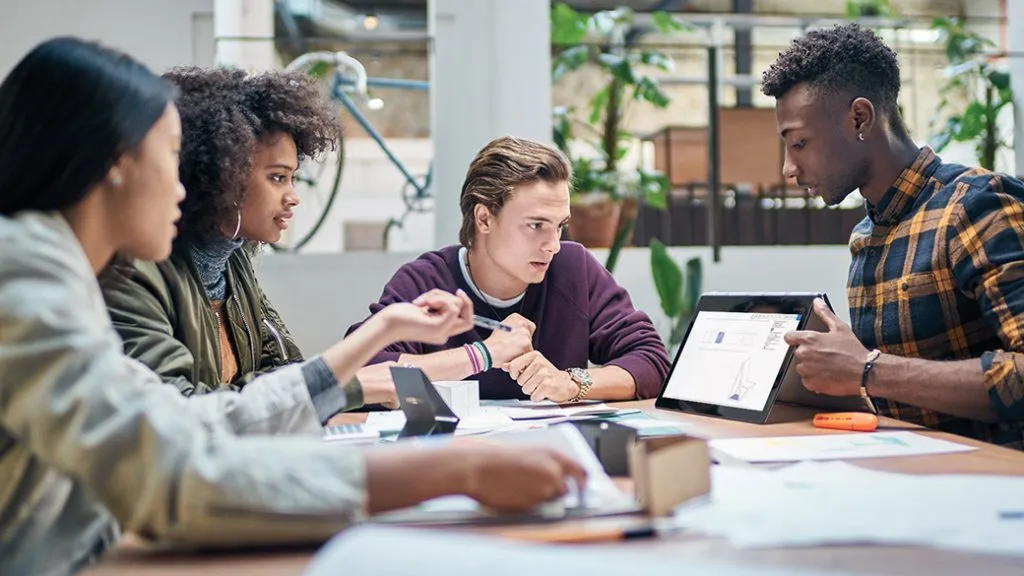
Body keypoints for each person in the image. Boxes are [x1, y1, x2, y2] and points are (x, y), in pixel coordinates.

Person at [0, 37, 586, 575]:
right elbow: (170, 472)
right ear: (116, 165)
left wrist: (380, 338)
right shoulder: (24, 272)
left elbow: (193, 425)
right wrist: (455, 472)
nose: (183, 184)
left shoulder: (56, 269)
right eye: (170, 155)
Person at [761, 23, 1024, 448]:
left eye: (800, 143)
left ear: (859, 118)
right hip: (905, 475)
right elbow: (900, 394)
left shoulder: (976, 207)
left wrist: (867, 369)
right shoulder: (866, 236)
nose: (788, 170)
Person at [99, 65, 402, 414]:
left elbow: (285, 368)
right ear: (221, 174)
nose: (292, 197)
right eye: (277, 178)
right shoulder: (135, 273)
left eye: (293, 180)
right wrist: (348, 385)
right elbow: (177, 411)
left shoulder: (234, 261)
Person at [347, 136, 670, 402]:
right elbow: (358, 371)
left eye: (559, 226)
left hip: (552, 458)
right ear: (484, 218)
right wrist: (482, 355)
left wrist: (571, 383)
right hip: (455, 461)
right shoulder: (425, 281)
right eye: (536, 225)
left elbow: (650, 360)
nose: (553, 244)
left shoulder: (573, 269)